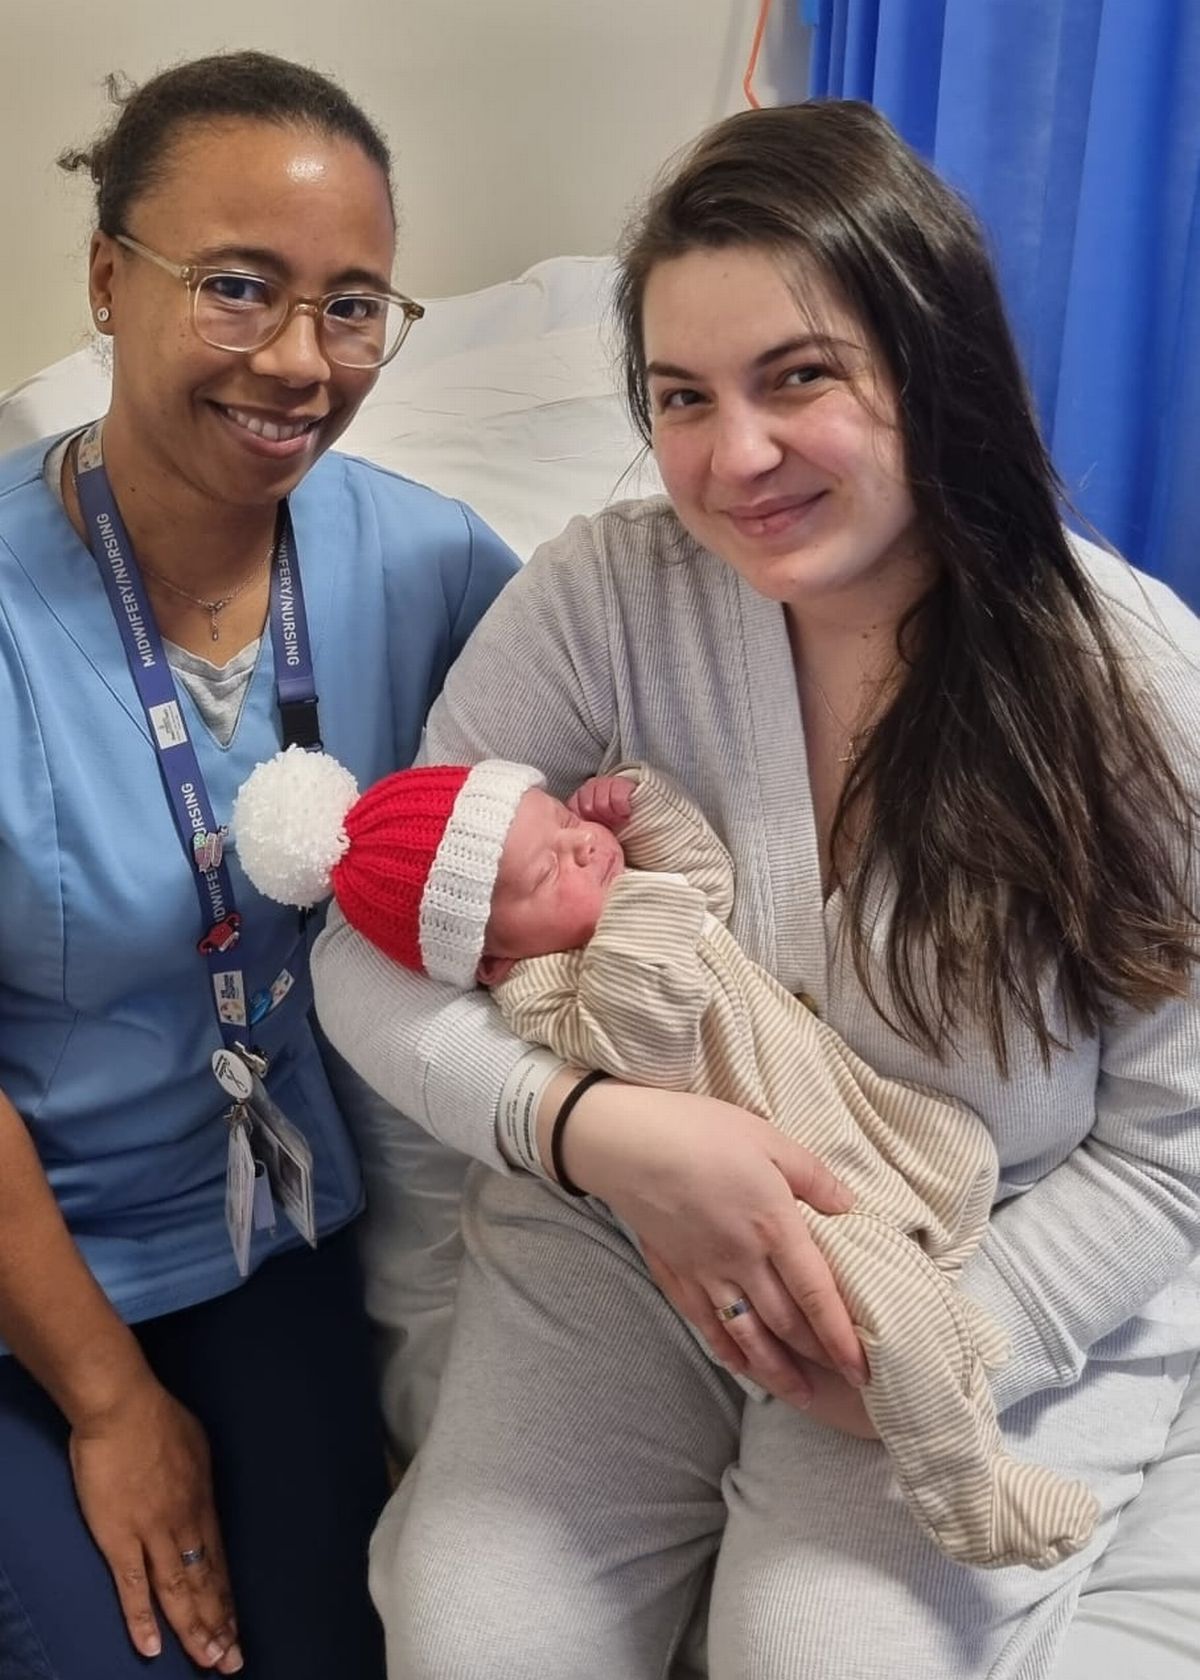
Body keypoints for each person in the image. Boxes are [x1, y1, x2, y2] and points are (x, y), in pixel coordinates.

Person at [312, 100, 1200, 1680]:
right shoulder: (603, 598)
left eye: (799, 378)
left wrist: (938, 1351)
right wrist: (597, 1134)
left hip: (942, 1259)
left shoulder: (1129, 691)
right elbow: (364, 959)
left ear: (932, 368)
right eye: (680, 398)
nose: (737, 458)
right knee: (474, 1639)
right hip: (620, 1240)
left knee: (821, 1655)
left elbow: (1171, 1150)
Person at [0, 50, 517, 1680]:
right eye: (238, 288)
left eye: (354, 305)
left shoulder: (428, 562)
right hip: (33, 1258)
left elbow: (606, 767)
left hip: (268, 1243)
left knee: (330, 1653)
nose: (301, 361)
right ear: (106, 277)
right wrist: (106, 1401)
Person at [235, 744, 1099, 1569]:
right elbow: (645, 1042)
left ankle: (949, 1351)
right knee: (889, 1324)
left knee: (956, 1154)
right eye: (549, 870)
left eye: (561, 821)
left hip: (841, 1113)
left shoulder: (617, 893)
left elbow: (707, 882)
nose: (579, 846)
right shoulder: (546, 992)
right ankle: (970, 1490)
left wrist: (644, 812)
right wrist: (627, 902)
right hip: (775, 1199)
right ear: (491, 960)